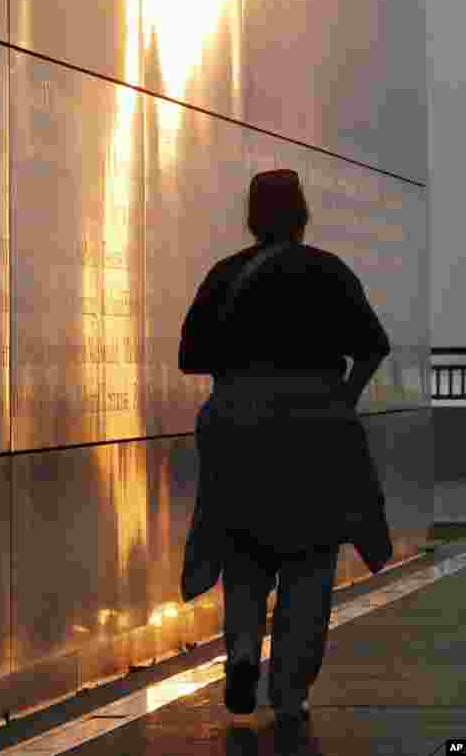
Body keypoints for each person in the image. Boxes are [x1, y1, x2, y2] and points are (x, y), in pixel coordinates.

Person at [177, 169, 392, 744]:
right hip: (313, 425)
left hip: (236, 424)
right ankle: (289, 693)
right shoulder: (326, 270)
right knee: (310, 558)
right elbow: (374, 347)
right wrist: (341, 398)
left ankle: (244, 651)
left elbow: (190, 357)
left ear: (251, 216)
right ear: (302, 214)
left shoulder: (225, 275)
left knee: (243, 549)